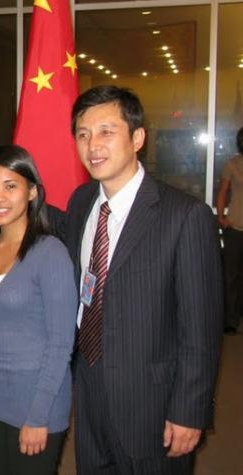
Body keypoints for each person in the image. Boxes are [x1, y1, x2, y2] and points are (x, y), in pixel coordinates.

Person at [65, 85, 223, 474]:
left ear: (137, 138)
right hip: (89, 384)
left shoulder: (185, 216)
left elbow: (200, 329)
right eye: (83, 134)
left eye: (106, 131)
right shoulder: (81, 202)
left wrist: (190, 410)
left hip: (151, 401)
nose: (92, 145)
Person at [0, 145, 76, 474]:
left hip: (34, 400)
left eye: (11, 186)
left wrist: (38, 416)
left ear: (32, 192)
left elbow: (61, 344)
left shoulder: (51, 254)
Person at [216, 126, 243, 335]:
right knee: (231, 275)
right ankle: (230, 320)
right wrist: (221, 218)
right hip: (235, 227)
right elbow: (223, 192)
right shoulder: (232, 165)